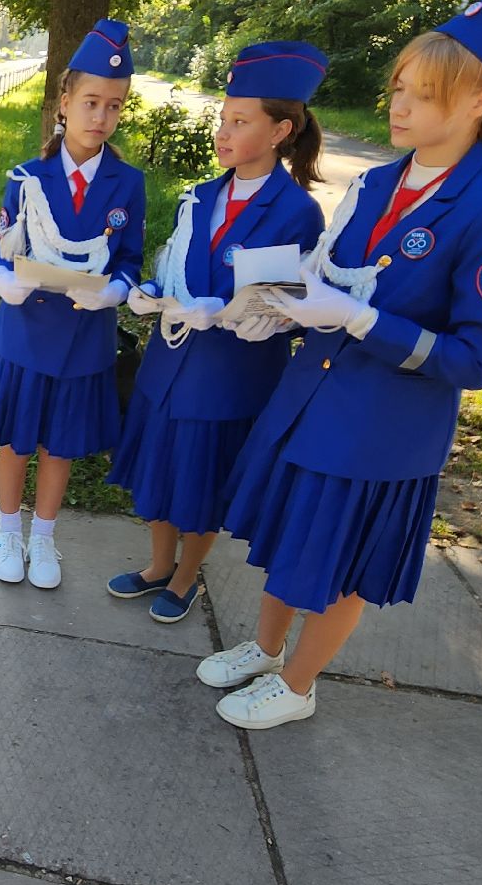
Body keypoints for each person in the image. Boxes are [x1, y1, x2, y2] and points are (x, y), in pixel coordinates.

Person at [200, 0, 482, 728]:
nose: (399, 106)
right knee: (289, 534)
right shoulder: (377, 182)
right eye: (399, 87)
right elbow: (331, 279)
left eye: (425, 95)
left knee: (337, 562)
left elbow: (476, 358)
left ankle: (297, 684)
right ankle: (266, 649)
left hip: (383, 430)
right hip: (312, 399)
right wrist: (282, 306)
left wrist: (361, 319)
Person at [106, 42, 330, 624]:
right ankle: (158, 565)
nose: (223, 133)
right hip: (170, 361)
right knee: (157, 468)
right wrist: (151, 290)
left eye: (239, 121)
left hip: (231, 375)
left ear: (281, 130)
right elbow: (175, 262)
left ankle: (185, 577)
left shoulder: (297, 211)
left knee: (201, 483)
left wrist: (231, 312)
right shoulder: (202, 194)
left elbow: (288, 306)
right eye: (222, 119)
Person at [0, 19, 146, 590]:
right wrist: (0, 284)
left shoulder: (128, 183)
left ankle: (44, 537)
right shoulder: (27, 177)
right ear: (64, 102)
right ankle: (7, 530)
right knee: (16, 440)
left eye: (114, 107)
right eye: (90, 101)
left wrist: (117, 290)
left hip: (85, 340)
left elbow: (130, 258)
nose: (100, 117)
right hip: (24, 333)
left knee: (57, 444)